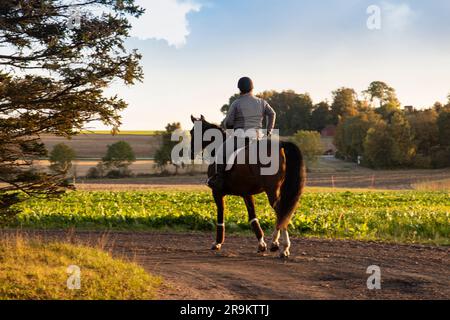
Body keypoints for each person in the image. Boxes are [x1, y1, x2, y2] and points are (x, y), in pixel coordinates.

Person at [207, 77, 276, 191]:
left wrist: (229, 126)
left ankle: (219, 180)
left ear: (239, 89)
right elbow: (272, 113)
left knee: (220, 152)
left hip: (241, 137)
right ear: (252, 88)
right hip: (257, 138)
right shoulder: (262, 102)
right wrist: (268, 131)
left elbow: (228, 122)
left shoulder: (237, 103)